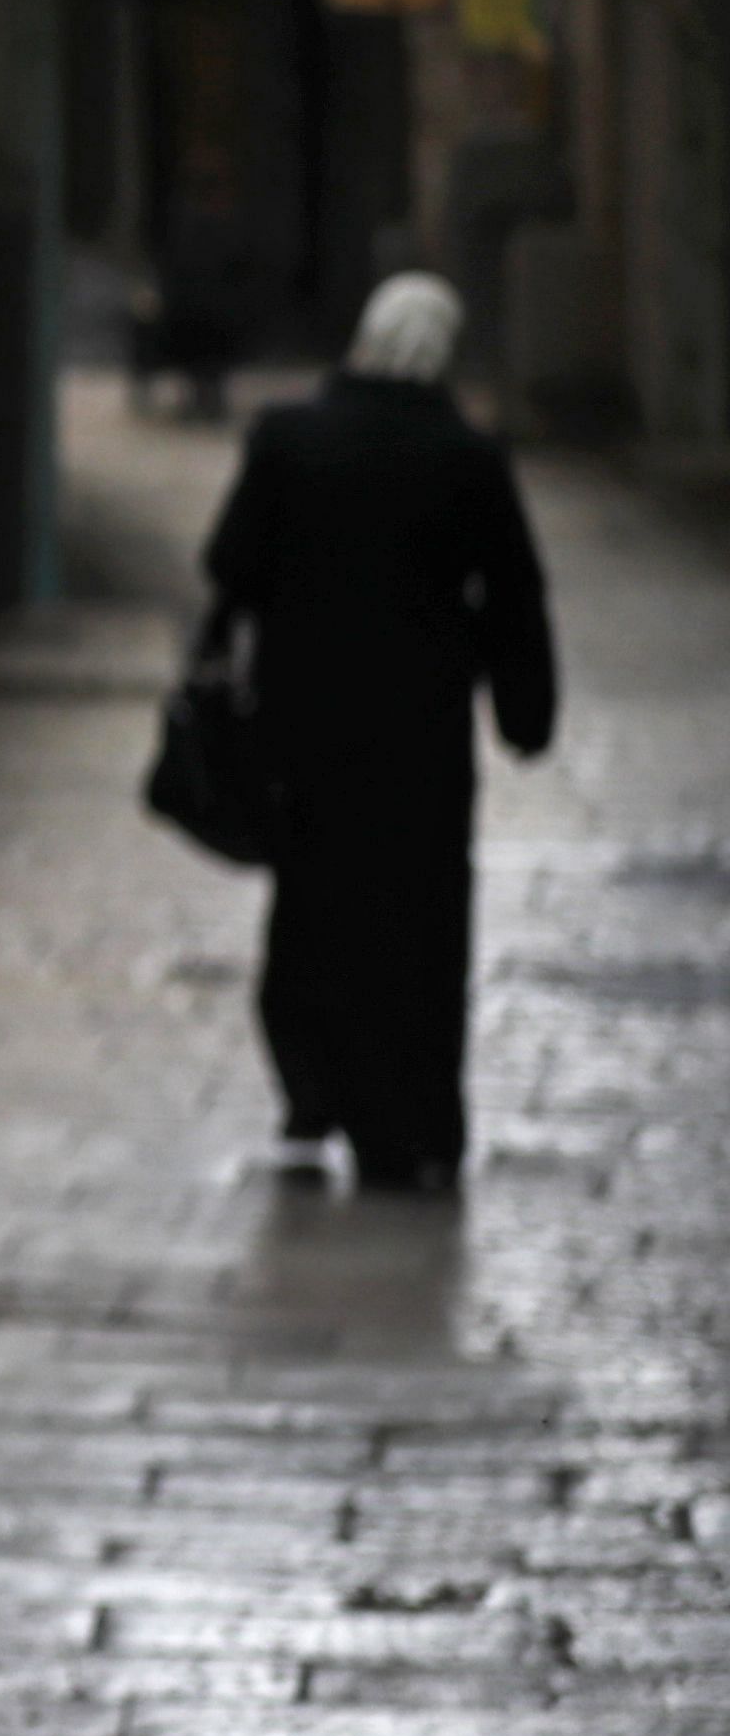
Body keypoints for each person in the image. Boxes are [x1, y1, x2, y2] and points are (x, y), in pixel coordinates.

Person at [200, 273, 559, 1194]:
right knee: (421, 926)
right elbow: (514, 599)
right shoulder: (467, 458)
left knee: (314, 911)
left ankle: (315, 1089)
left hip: (304, 730)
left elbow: (231, 567)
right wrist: (525, 714)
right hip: (420, 743)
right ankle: (414, 1121)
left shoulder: (290, 441)